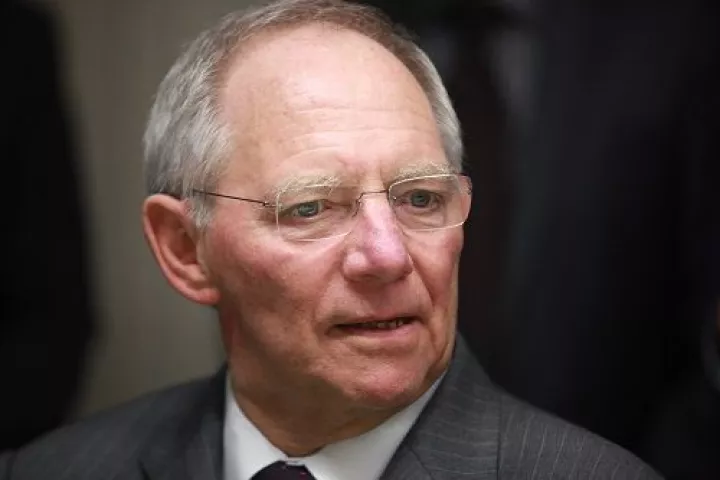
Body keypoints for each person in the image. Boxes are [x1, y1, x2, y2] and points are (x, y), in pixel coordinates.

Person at [0, 1, 660, 478]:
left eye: (420, 199)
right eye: (312, 207)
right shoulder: (52, 470)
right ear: (185, 249)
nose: (388, 255)